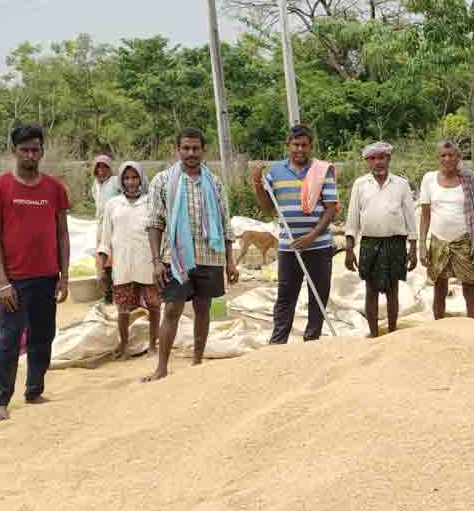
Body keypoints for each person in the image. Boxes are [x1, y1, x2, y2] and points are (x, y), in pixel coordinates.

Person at [0, 125, 72, 422]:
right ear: (14, 150)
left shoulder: (55, 189)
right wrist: (2, 282)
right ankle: (0, 399)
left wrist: (65, 275)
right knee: (9, 339)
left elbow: (62, 234)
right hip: (14, 281)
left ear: (42, 151)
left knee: (43, 335)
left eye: (35, 149)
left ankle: (34, 390)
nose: (31, 155)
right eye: (25, 149)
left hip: (47, 277)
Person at [146, 129, 238, 381]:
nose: (191, 153)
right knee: (172, 309)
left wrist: (230, 261)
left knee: (203, 309)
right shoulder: (162, 181)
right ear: (177, 150)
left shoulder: (215, 182)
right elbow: (154, 222)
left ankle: (197, 361)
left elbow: (224, 223)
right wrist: (156, 262)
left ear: (203, 151)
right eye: (185, 148)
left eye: (196, 148)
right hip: (175, 258)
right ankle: (162, 368)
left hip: (209, 256)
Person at [252, 124, 338, 344]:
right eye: (295, 145)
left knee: (318, 296)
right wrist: (257, 184)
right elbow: (268, 209)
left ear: (311, 146)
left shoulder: (322, 171)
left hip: (318, 246)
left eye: (304, 145)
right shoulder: (275, 172)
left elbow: (330, 209)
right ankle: (278, 342)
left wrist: (312, 236)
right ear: (288, 145)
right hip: (289, 247)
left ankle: (312, 340)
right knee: (285, 296)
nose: (300, 149)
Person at [343, 141, 418, 337]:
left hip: (395, 243)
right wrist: (349, 250)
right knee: (371, 290)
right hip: (370, 243)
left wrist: (413, 248)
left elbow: (410, 217)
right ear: (367, 161)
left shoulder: (401, 184)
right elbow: (352, 220)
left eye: (382, 157)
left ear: (389, 159)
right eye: (373, 158)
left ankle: (393, 332)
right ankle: (374, 335)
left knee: (393, 289)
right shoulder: (360, 184)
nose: (378, 162)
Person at [97, 161, 161, 360]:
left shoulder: (151, 202)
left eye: (134, 177)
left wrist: (161, 262)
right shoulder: (113, 204)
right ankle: (124, 347)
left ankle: (152, 345)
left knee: (153, 305)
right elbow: (106, 238)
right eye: (126, 178)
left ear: (141, 179)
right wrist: (100, 266)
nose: (131, 182)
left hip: (147, 263)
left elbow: (160, 233)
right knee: (123, 310)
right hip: (122, 265)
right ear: (121, 181)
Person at [420, 141, 474, 321]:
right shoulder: (429, 179)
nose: (447, 159)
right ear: (438, 157)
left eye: (451, 155)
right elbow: (425, 216)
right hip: (439, 241)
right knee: (439, 287)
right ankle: (439, 327)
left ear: (459, 157)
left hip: (465, 240)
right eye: (443, 155)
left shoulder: (470, 179)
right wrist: (422, 246)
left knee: (469, 288)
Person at [91, 154, 121, 304]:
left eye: (104, 167)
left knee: (117, 260)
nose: (101, 171)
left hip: (116, 227)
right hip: (101, 227)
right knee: (104, 262)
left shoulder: (116, 182)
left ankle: (120, 294)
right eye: (98, 168)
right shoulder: (95, 185)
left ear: (110, 169)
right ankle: (108, 295)